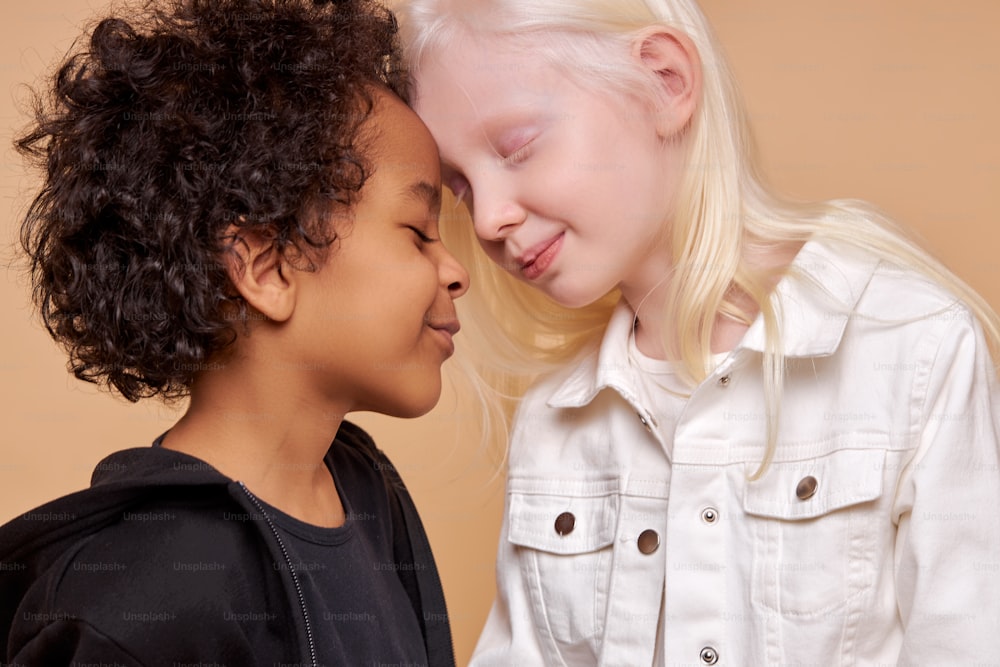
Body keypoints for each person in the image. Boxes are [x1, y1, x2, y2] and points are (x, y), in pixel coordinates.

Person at [392, 0, 1000, 665]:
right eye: (460, 189)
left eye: (515, 147)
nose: (487, 221)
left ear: (664, 81)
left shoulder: (912, 345)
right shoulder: (554, 423)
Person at [0, 0, 466, 664]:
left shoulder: (366, 489)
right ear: (267, 267)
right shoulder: (146, 598)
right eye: (419, 232)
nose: (456, 272)